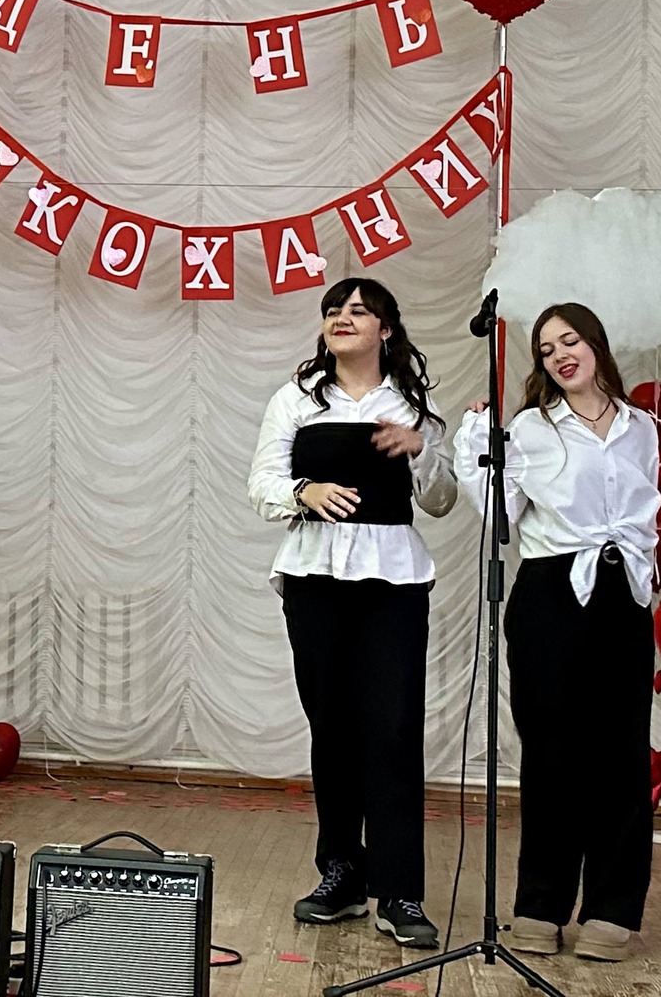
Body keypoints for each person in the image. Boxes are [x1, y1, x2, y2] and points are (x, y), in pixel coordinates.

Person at [247, 276, 456, 948]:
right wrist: (304, 491)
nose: (343, 317)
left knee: (392, 729)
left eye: (359, 311)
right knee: (332, 728)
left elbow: (443, 499)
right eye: (334, 309)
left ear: (385, 330)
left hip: (394, 580)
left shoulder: (413, 405)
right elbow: (261, 481)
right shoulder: (296, 397)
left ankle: (400, 890)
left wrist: (421, 449)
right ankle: (340, 874)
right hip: (315, 578)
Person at [452, 301, 660, 963]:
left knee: (622, 755)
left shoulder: (640, 427)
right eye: (546, 349)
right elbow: (500, 515)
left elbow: (645, 513)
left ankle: (612, 911)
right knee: (552, 754)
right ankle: (540, 906)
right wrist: (474, 447)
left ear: (595, 343)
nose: (560, 355)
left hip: (622, 594)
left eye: (570, 341)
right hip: (551, 593)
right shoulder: (531, 427)